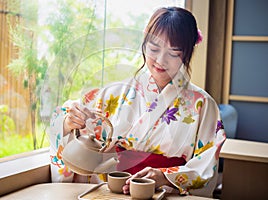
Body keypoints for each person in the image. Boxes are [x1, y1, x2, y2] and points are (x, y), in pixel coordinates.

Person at [49, 6, 226, 197]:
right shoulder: (115, 93)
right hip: (110, 191)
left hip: (165, 193)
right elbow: (72, 129)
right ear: (144, 43)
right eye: (154, 49)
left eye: (173, 53)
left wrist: (164, 176)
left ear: (187, 52)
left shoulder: (202, 105)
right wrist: (68, 123)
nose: (160, 60)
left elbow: (206, 163)